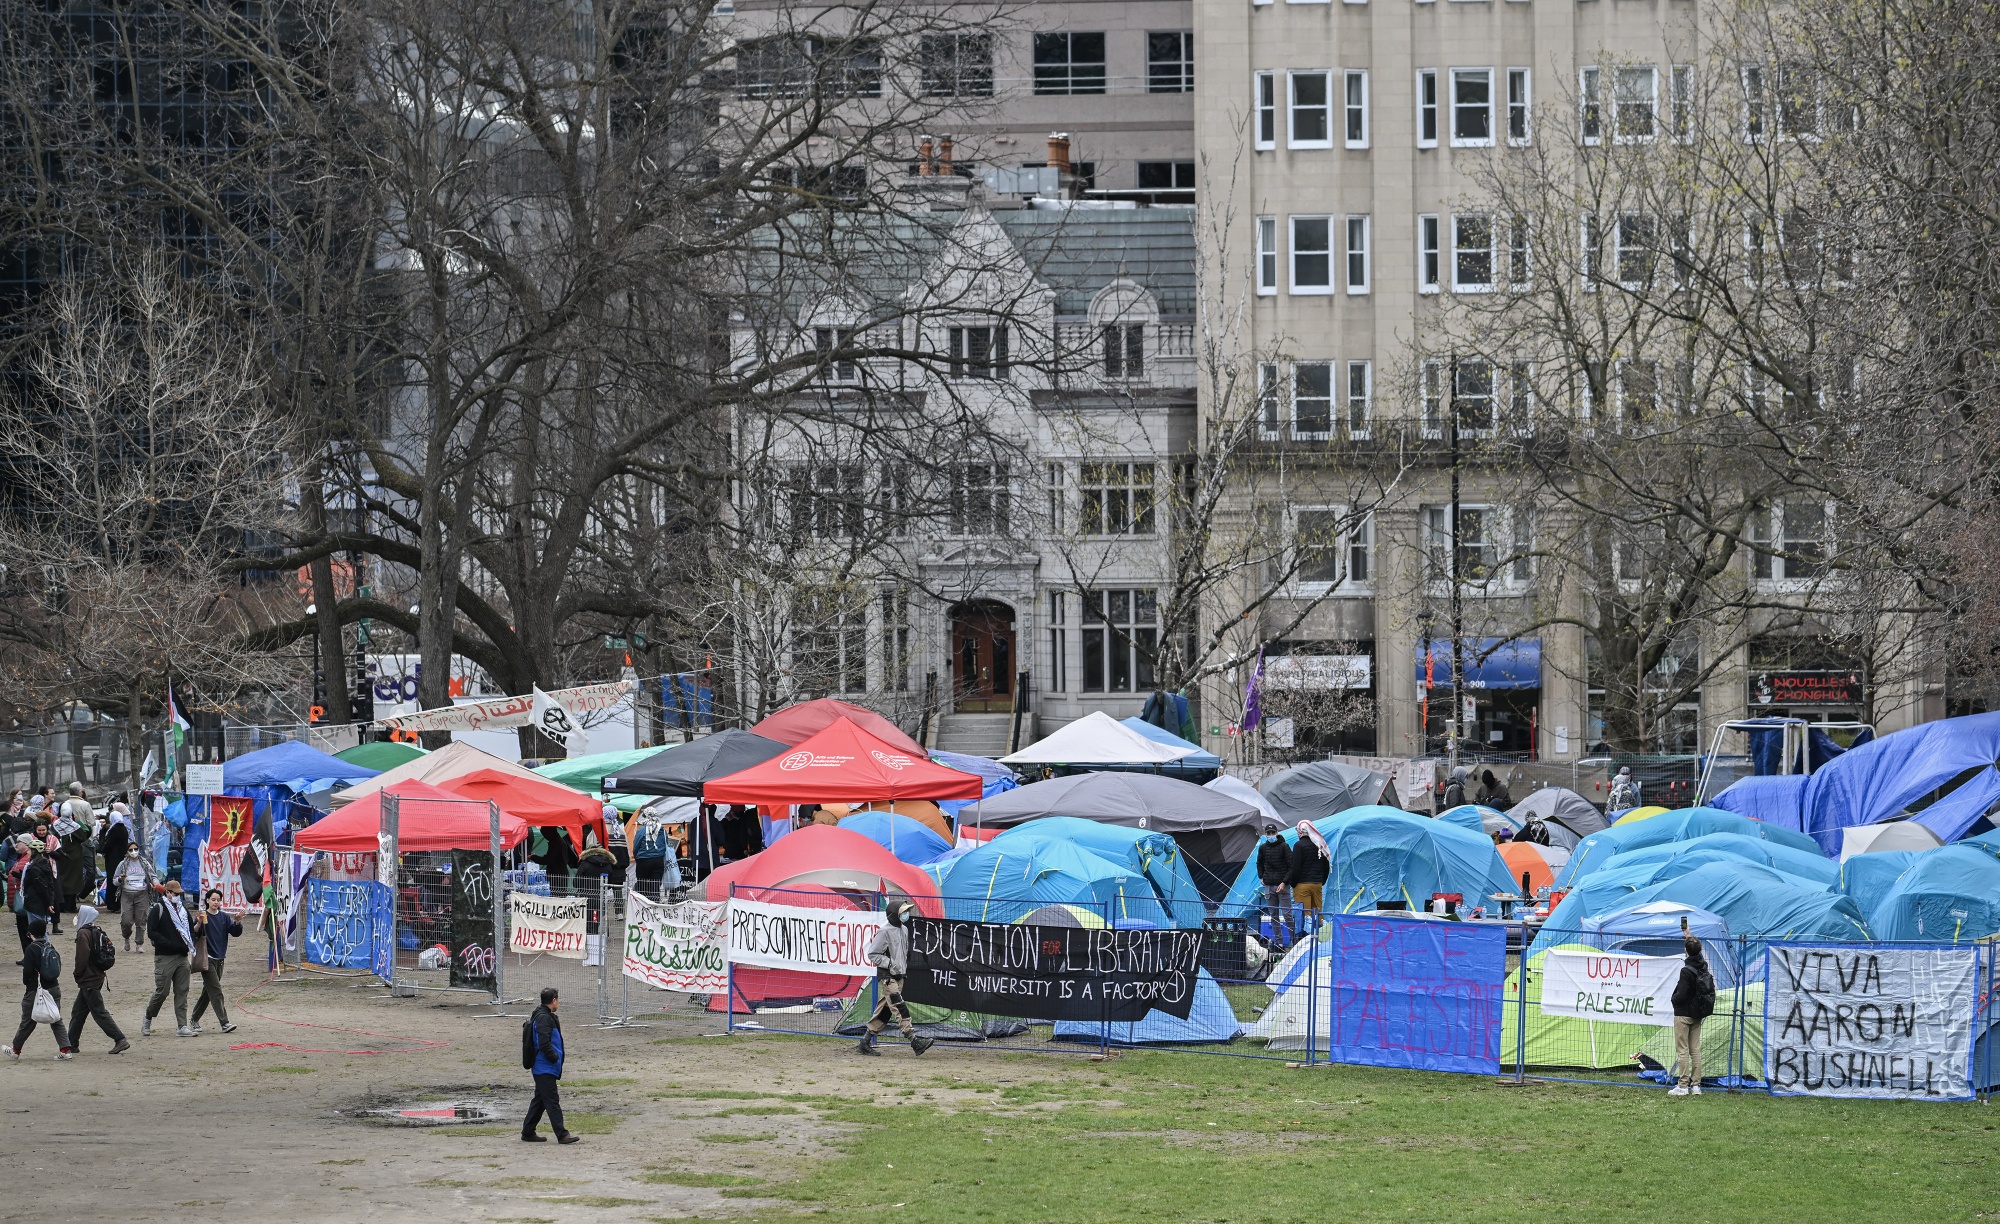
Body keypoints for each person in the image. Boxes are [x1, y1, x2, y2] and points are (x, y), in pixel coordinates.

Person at [855, 899, 931, 1057]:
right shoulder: (884, 931)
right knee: (899, 1006)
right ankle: (914, 1040)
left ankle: (865, 1042)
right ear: (894, 915)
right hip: (888, 977)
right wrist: (890, 964)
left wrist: (901, 969)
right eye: (903, 912)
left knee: (885, 1010)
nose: (906, 914)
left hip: (899, 976)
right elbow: (873, 954)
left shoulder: (904, 930)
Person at [7, 915, 71, 1060]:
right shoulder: (50, 946)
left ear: (31, 933)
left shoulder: (31, 949)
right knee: (56, 1018)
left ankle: (15, 1050)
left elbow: (27, 972)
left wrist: (27, 983)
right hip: (54, 987)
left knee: (28, 1021)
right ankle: (66, 1049)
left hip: (37, 990)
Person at [69, 904, 128, 1054]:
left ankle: (119, 1039)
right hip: (96, 977)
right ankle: (71, 1043)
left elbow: (82, 957)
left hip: (89, 979)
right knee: (78, 1012)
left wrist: (77, 973)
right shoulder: (94, 931)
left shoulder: (83, 933)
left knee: (98, 1012)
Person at [522, 986, 579, 1144]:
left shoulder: (541, 1015)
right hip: (544, 1067)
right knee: (552, 1101)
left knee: (540, 1101)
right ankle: (562, 1134)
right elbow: (544, 1043)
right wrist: (554, 1058)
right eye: (558, 1000)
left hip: (543, 1067)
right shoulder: (544, 1018)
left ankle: (528, 1132)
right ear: (554, 1000)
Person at [142, 879, 196, 1037]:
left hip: (182, 957)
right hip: (164, 957)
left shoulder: (183, 911)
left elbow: (190, 930)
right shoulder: (158, 909)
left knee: (182, 991)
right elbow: (152, 932)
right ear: (167, 892)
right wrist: (171, 944)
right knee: (162, 992)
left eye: (180, 893)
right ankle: (148, 1017)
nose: (178, 896)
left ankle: (182, 1025)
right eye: (176, 893)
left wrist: (189, 943)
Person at [1668, 931, 1716, 1096]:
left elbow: (1681, 995)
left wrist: (1673, 999)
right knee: (1695, 1049)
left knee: (1682, 1049)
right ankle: (1696, 1085)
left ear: (1686, 951)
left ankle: (1682, 1086)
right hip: (1698, 1013)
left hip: (1683, 1013)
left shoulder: (1686, 971)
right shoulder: (1703, 965)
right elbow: (1695, 950)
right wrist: (1687, 933)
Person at [188, 888, 241, 1034]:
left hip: (220, 958)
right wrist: (198, 922)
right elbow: (194, 933)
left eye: (218, 900)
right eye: (213, 900)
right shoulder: (203, 916)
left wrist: (237, 922)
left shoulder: (224, 917)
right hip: (207, 958)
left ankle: (194, 1018)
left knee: (209, 991)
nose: (215, 902)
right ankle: (224, 1023)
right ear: (207, 901)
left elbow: (235, 932)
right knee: (216, 990)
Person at [1285, 822, 1330, 926]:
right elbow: (1326, 865)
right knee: (1318, 914)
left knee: (1306, 916)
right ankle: (1320, 939)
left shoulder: (1298, 845)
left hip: (1302, 885)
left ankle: (1307, 939)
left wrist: (1293, 883)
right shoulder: (1319, 844)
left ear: (1301, 832)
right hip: (1317, 884)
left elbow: (1295, 867)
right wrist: (1321, 881)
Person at [113, 845, 155, 950]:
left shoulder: (145, 863)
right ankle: (126, 937)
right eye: (131, 850)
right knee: (126, 921)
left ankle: (139, 943)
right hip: (127, 894)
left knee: (141, 920)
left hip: (142, 894)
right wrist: (120, 879)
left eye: (136, 849)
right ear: (127, 852)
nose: (133, 852)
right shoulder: (122, 864)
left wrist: (155, 883)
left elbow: (153, 876)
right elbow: (114, 881)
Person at [1253, 824, 1291, 930]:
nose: (1271, 835)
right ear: (1265, 834)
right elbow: (1259, 862)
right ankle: (1278, 943)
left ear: (1277, 832)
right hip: (1269, 886)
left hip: (1283, 886)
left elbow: (1291, 866)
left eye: (1273, 833)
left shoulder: (1284, 846)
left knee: (1287, 914)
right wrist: (1262, 876)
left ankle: (1294, 940)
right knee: (1273, 916)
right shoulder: (1262, 848)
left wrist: (1284, 882)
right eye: (1268, 833)